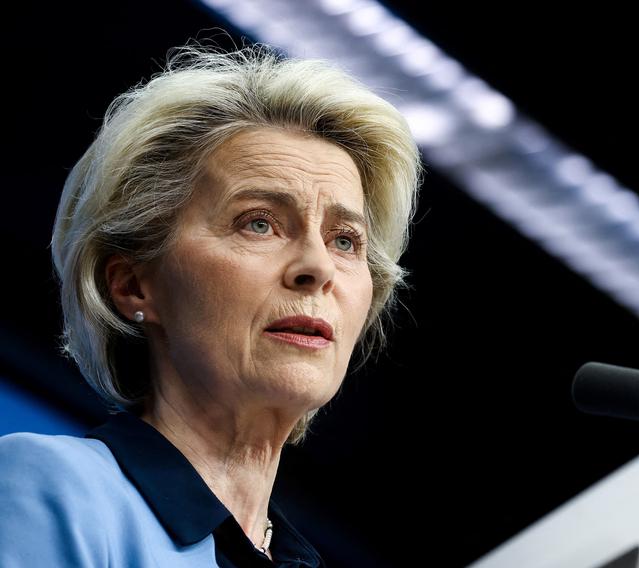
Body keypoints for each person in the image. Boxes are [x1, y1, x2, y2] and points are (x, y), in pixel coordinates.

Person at [0, 42, 421, 567]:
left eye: (345, 240)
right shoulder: (50, 487)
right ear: (133, 285)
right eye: (259, 222)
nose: (318, 267)